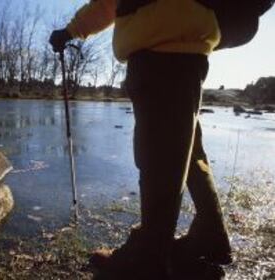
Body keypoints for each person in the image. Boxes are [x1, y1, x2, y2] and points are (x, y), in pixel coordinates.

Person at [50, 0, 232, 279]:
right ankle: (211, 234)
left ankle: (148, 259)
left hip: (157, 51)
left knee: (158, 156)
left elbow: (107, 4)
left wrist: (70, 31)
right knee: (187, 152)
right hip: (191, 52)